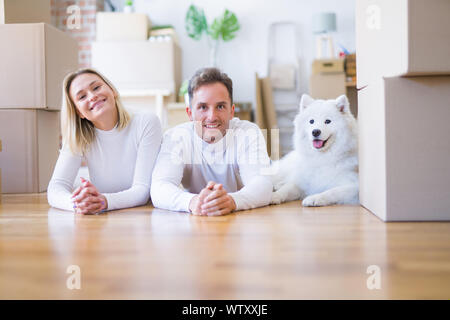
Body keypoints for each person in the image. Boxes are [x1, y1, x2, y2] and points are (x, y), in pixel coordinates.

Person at [151, 67, 272, 216]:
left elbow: (263, 185)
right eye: (203, 107)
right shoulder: (176, 137)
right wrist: (193, 202)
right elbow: (159, 187)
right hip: (197, 220)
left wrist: (231, 200)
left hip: (242, 218)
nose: (212, 116)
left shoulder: (248, 133)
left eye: (220, 106)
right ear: (190, 113)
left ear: (232, 111)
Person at [47, 68, 162, 214]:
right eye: (82, 97)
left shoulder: (146, 122)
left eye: (96, 87)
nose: (92, 96)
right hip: (102, 218)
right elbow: (56, 188)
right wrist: (78, 204)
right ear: (79, 112)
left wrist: (102, 202)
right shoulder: (78, 136)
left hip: (143, 216)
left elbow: (142, 191)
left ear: (112, 90)